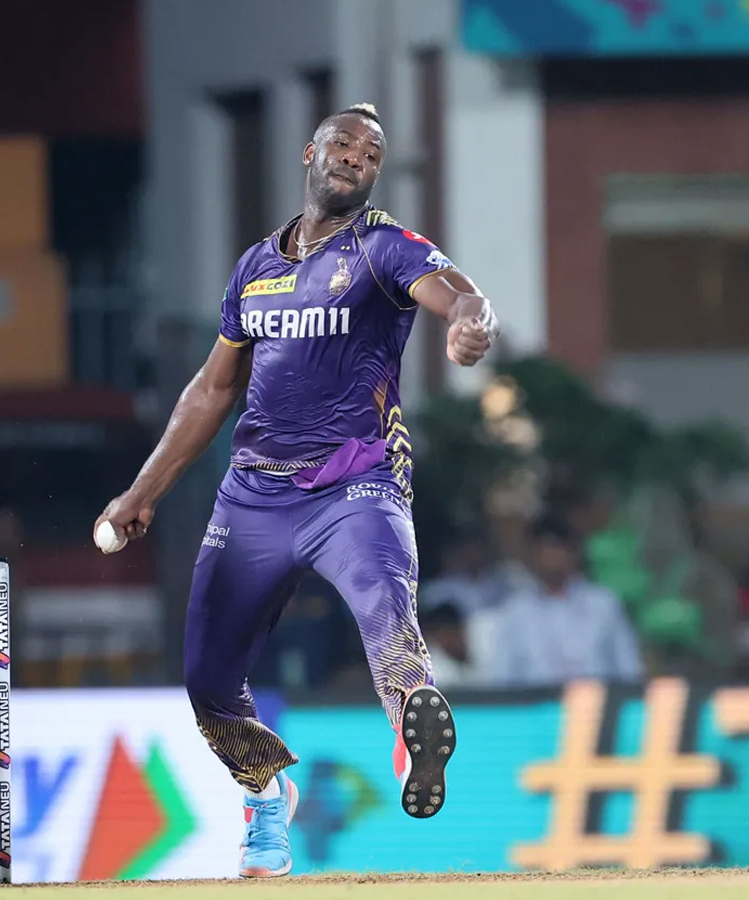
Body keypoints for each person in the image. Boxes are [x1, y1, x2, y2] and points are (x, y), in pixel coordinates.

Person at [95, 103, 498, 878]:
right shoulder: (255, 266)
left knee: (386, 606)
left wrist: (470, 323)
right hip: (254, 494)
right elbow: (212, 390)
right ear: (310, 154)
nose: (356, 158)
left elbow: (460, 293)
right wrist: (142, 491)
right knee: (209, 681)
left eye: (371, 154)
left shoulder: (384, 246)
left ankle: (411, 726)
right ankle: (265, 795)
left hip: (357, 481)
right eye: (343, 144)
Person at [487, 515, 643, 688]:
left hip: (596, 701)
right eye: (543, 550)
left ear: (572, 553)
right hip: (535, 703)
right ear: (532, 556)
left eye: (556, 548)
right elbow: (502, 678)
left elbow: (628, 669)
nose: (550, 557)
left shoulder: (603, 605)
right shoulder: (516, 611)